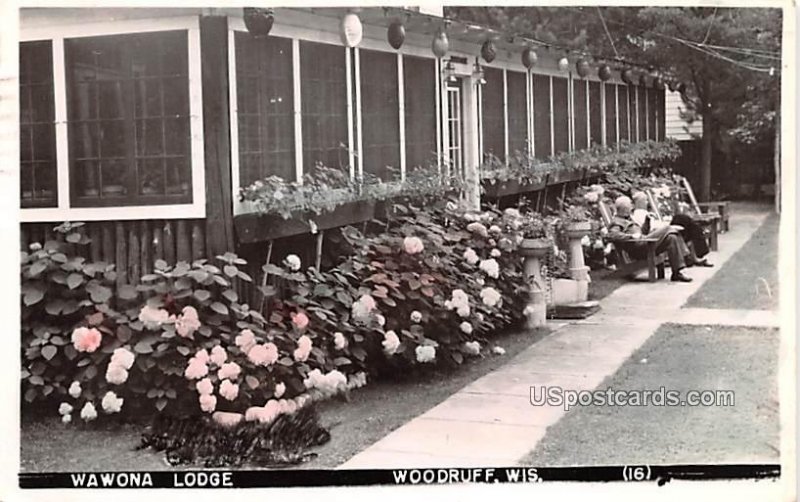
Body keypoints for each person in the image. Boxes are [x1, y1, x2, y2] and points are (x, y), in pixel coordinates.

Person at [607, 195, 693, 282]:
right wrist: (631, 236)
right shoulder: (616, 221)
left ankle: (676, 273)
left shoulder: (629, 219)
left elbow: (643, 232)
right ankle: (686, 255)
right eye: (630, 205)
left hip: (645, 243)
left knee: (671, 237)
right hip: (638, 248)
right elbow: (612, 235)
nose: (632, 206)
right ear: (624, 208)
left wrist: (647, 220)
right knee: (667, 228)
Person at [631, 191, 713, 267]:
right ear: (639, 202)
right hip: (659, 234)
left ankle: (694, 257)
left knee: (690, 225)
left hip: (663, 229)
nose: (647, 202)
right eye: (645, 200)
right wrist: (666, 225)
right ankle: (698, 254)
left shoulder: (645, 212)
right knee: (683, 219)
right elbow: (648, 229)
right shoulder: (638, 214)